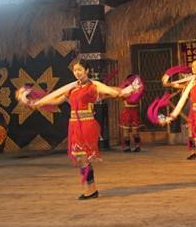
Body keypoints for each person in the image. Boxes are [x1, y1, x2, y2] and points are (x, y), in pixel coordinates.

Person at [22, 61, 130, 200]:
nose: (77, 73)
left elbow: (110, 91)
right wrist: (37, 104)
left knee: (83, 157)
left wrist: (124, 92)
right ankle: (91, 188)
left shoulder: (94, 86)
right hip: (74, 125)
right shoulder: (72, 88)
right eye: (75, 70)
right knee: (80, 158)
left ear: (87, 70)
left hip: (87, 124)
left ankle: (91, 189)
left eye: (80, 70)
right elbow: (57, 100)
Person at [119, 74, 144, 152]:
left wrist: (134, 91)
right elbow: (122, 96)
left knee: (135, 131)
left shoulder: (138, 90)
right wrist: (129, 92)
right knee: (125, 131)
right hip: (126, 111)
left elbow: (138, 96)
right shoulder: (125, 90)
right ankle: (127, 147)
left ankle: (137, 146)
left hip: (134, 111)